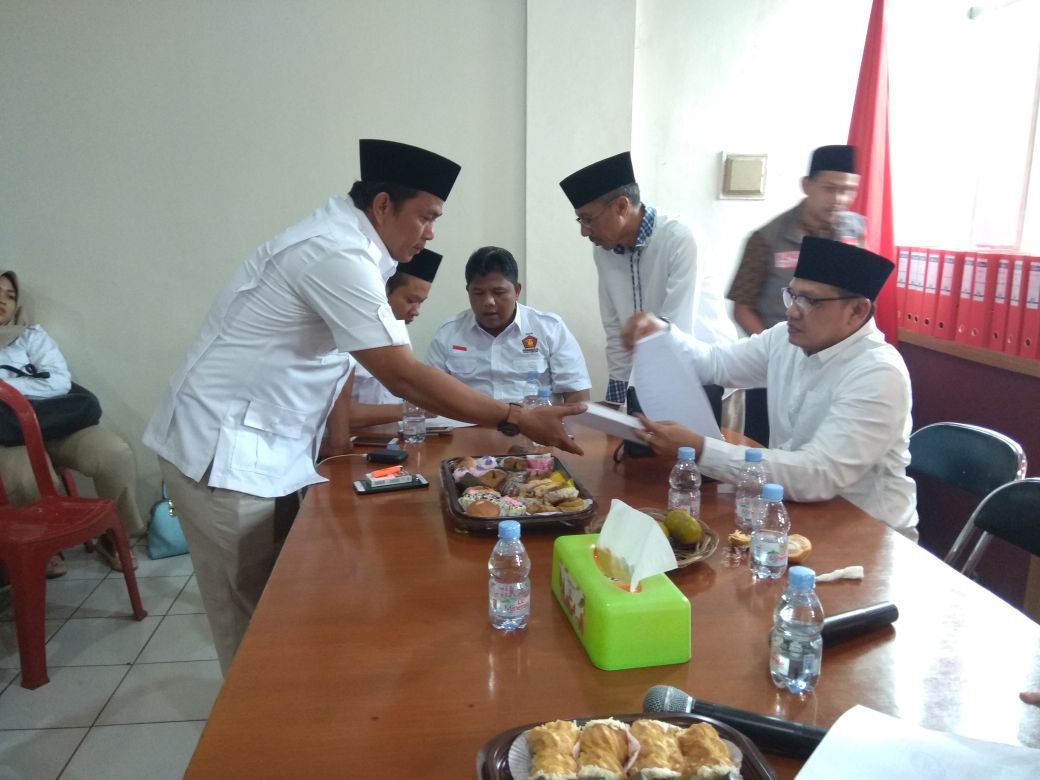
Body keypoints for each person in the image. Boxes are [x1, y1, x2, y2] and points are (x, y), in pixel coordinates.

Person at [144, 140, 583, 673]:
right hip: (222, 452)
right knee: (250, 619)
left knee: (282, 607)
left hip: (267, 449)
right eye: (426, 216)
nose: (431, 233)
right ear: (381, 206)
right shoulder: (335, 254)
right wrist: (515, 416)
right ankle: (257, 720)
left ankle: (289, 698)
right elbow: (403, 374)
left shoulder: (354, 252)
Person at [622, 237, 917, 535]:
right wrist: (663, 333)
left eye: (809, 301)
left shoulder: (878, 373)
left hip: (870, 531)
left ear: (857, 311)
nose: (792, 311)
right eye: (792, 295)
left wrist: (701, 449)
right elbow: (716, 363)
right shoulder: (784, 339)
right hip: (796, 509)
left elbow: (818, 474)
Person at [559, 151, 737, 407]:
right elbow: (616, 331)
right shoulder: (604, 252)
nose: (584, 231)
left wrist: (647, 402)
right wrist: (616, 402)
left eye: (589, 219)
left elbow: (677, 328)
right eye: (580, 220)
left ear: (621, 207)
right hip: (657, 382)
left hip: (712, 380)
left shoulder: (679, 239)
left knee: (706, 438)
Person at [0, 270, 145, 576]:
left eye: (10, 296)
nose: (3, 301)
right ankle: (46, 546)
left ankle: (114, 536)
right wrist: (29, 383)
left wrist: (7, 389)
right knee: (30, 479)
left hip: (55, 422)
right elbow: (45, 383)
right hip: (7, 435)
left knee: (114, 454)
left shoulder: (31, 336)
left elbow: (58, 383)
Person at [726, 145, 864, 444]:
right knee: (763, 452)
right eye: (830, 188)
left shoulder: (854, 232)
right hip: (775, 371)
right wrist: (779, 356)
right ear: (807, 185)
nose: (839, 199)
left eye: (848, 190)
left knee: (822, 450)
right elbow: (742, 307)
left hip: (833, 369)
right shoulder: (766, 239)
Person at [426, 246, 591, 404]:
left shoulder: (550, 329)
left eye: (498, 292)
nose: (489, 302)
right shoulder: (449, 333)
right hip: (467, 421)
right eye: (478, 293)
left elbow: (577, 397)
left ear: (517, 291)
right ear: (468, 291)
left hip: (533, 421)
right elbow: (431, 395)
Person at [336, 249, 443, 434]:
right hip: (353, 442)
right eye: (411, 300)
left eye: (421, 302)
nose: (416, 310)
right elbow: (340, 414)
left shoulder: (399, 328)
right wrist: (414, 409)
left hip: (391, 437)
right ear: (384, 290)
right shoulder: (350, 333)